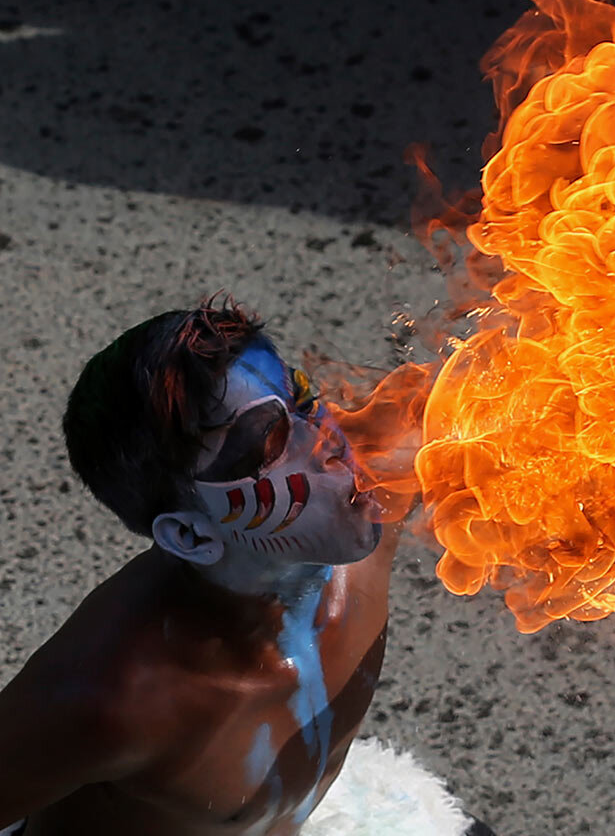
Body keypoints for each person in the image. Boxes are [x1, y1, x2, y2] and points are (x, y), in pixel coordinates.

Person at [0, 299, 475, 835]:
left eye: (303, 399)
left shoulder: (379, 482)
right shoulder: (115, 697)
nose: (326, 442)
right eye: (266, 443)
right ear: (191, 534)